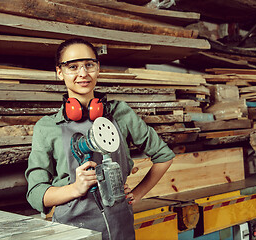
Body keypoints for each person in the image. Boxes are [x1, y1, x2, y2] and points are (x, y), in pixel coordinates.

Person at [25, 38, 175, 240]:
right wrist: (76, 188)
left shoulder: (120, 114)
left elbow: (164, 156)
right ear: (60, 72)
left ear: (98, 68)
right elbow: (36, 194)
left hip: (120, 229)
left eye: (89, 65)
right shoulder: (47, 127)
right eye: (73, 66)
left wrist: (137, 194)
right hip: (71, 232)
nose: (83, 73)